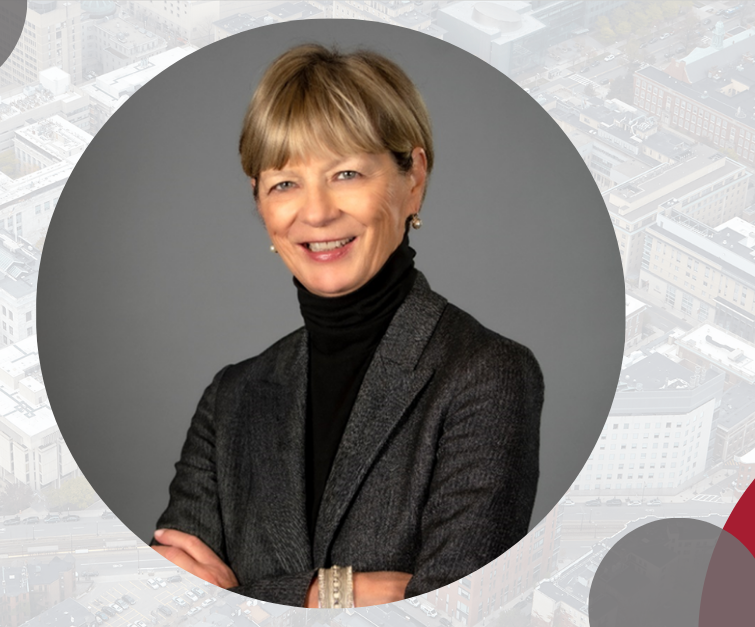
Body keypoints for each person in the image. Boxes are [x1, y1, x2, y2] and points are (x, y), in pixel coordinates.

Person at [152, 44, 544, 608]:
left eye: (347, 173)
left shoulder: (486, 375)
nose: (316, 213)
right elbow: (165, 601)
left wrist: (243, 597)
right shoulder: (231, 398)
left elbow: (458, 611)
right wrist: (332, 595)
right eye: (285, 183)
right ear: (260, 203)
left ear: (413, 180)